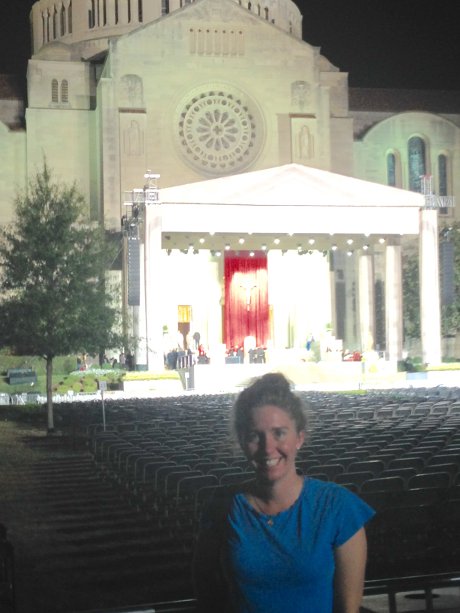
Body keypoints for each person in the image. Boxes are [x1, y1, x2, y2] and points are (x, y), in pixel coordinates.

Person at [193, 372, 375, 613]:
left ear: (299, 437)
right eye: (255, 436)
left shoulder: (338, 507)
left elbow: (348, 610)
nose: (268, 448)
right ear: (242, 441)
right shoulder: (222, 509)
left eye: (279, 433)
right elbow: (208, 597)